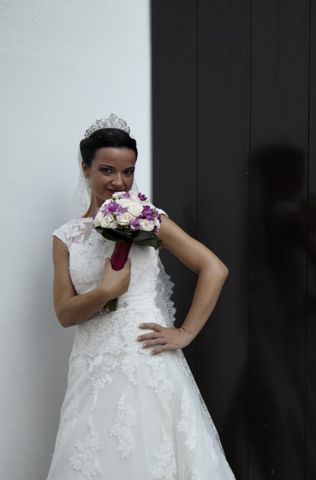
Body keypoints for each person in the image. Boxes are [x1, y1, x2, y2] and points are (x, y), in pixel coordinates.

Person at [46, 114, 236, 479]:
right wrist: (105, 291)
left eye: (128, 171)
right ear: (85, 168)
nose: (119, 182)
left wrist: (186, 332)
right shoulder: (66, 237)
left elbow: (215, 268)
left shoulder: (150, 219)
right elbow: (65, 314)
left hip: (146, 359)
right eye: (106, 170)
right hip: (92, 363)